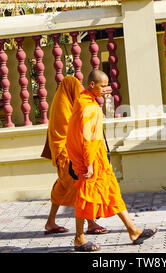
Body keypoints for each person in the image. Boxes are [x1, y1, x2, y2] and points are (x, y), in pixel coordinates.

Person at [66, 70, 157, 252]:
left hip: (97, 159)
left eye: (107, 85)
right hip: (89, 161)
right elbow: (89, 138)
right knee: (85, 199)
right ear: (92, 85)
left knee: (113, 193)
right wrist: (89, 163)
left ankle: (133, 230)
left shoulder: (87, 101)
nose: (106, 89)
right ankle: (79, 238)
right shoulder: (88, 106)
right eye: (102, 85)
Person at [41, 75, 109, 235]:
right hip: (66, 153)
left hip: (66, 153)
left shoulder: (64, 104)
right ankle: (90, 224)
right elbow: (71, 130)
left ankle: (50, 222)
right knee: (80, 187)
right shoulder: (63, 109)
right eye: (76, 89)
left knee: (63, 187)